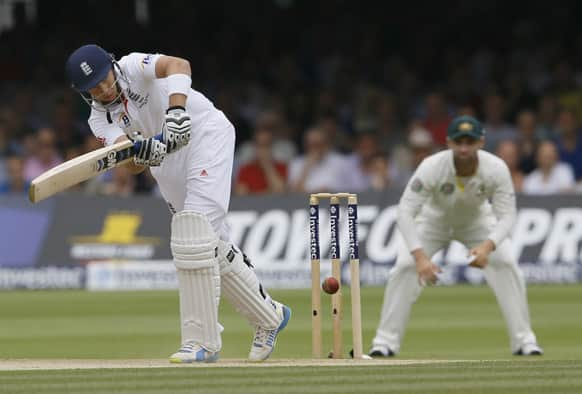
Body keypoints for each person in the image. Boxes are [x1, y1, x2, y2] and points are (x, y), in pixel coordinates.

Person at [65, 44, 291, 363]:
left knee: (193, 234)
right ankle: (270, 316)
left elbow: (178, 64)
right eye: (94, 88)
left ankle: (201, 342)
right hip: (165, 161)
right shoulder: (99, 121)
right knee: (209, 242)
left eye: (104, 78)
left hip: (203, 135)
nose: (103, 88)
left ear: (113, 67)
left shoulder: (132, 66)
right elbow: (130, 163)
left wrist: (176, 112)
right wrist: (140, 154)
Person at [369, 115, 543, 357]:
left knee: (506, 262)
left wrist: (487, 247)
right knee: (405, 266)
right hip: (433, 220)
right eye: (458, 142)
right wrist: (420, 258)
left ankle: (525, 341)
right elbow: (405, 212)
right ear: (448, 142)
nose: (463, 148)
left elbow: (507, 216)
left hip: (477, 221)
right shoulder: (432, 166)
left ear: (481, 142)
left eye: (469, 142)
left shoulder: (496, 168)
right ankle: (384, 343)